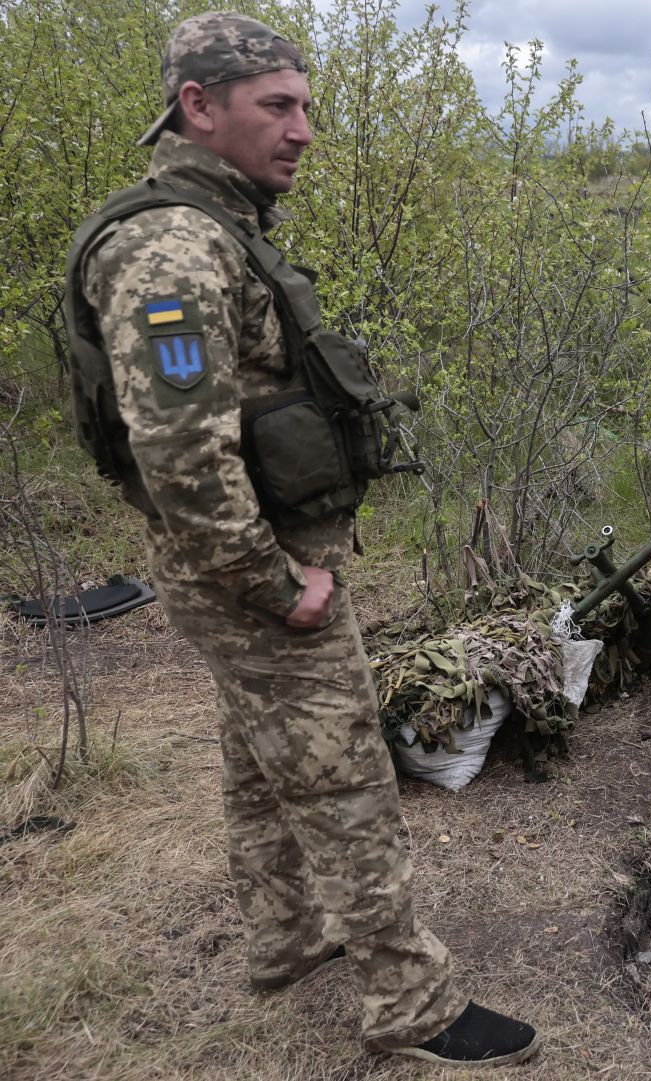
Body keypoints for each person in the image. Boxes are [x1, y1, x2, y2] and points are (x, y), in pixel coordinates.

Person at [63, 12, 539, 1068]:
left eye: (305, 104)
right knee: (344, 782)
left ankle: (287, 940)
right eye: (277, 105)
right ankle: (414, 1007)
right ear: (200, 106)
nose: (304, 130)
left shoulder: (218, 224)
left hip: (246, 563)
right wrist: (278, 586)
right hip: (248, 571)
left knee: (259, 763)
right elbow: (183, 454)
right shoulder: (171, 245)